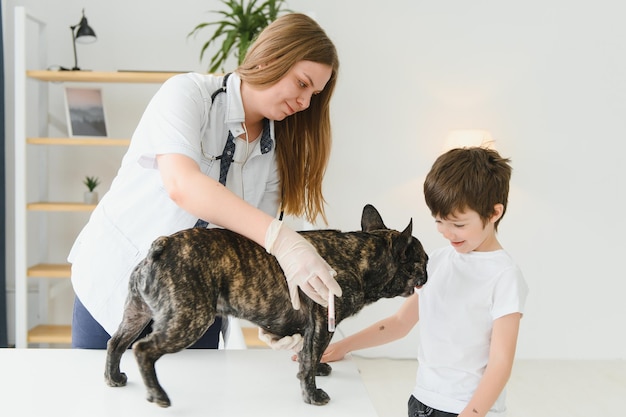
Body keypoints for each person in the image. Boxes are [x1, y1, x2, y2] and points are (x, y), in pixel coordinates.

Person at [68, 13, 342, 349]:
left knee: (195, 399)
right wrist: (283, 239)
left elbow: (253, 243)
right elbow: (182, 184)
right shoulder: (187, 95)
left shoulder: (275, 150)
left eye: (314, 94)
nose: (304, 103)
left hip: (198, 303)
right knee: (105, 397)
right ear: (272, 57)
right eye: (302, 83)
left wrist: (274, 315)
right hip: (118, 283)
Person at [319, 147, 529, 417]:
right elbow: (399, 323)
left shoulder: (504, 275)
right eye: (439, 221)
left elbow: (501, 363)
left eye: (458, 224)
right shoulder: (439, 261)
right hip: (421, 401)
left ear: (493, 213)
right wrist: (342, 346)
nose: (446, 232)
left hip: (467, 409)